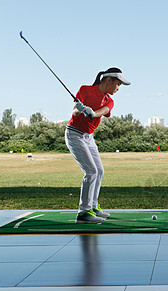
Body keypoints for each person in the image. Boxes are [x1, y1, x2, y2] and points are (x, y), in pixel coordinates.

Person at [65, 67, 130, 224]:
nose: (118, 88)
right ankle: (83, 212)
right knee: (91, 171)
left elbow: (103, 111)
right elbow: (74, 112)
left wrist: (92, 113)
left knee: (99, 171)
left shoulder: (109, 100)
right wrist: (79, 109)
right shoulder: (85, 90)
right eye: (118, 84)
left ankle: (93, 207)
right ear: (109, 80)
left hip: (88, 137)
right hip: (74, 134)